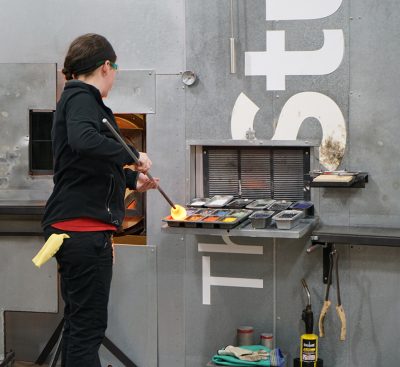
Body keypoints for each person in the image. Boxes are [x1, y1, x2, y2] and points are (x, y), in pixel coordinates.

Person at [41, 33, 158, 367]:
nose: (115, 75)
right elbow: (83, 140)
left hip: (81, 230)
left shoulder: (81, 101)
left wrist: (132, 179)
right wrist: (133, 154)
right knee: (86, 330)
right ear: (106, 65)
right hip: (81, 231)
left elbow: (85, 165)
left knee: (82, 326)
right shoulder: (81, 97)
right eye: (115, 68)